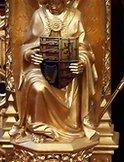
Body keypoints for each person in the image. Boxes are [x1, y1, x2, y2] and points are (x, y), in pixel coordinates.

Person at [14, 0, 97, 141]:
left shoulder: (75, 16)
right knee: (37, 87)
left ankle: (72, 127)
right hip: (40, 69)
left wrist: (81, 62)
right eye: (50, 2)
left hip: (67, 71)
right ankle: (39, 129)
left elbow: (84, 48)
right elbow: (26, 46)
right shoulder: (38, 15)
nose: (54, 6)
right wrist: (29, 55)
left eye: (57, 2)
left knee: (74, 80)